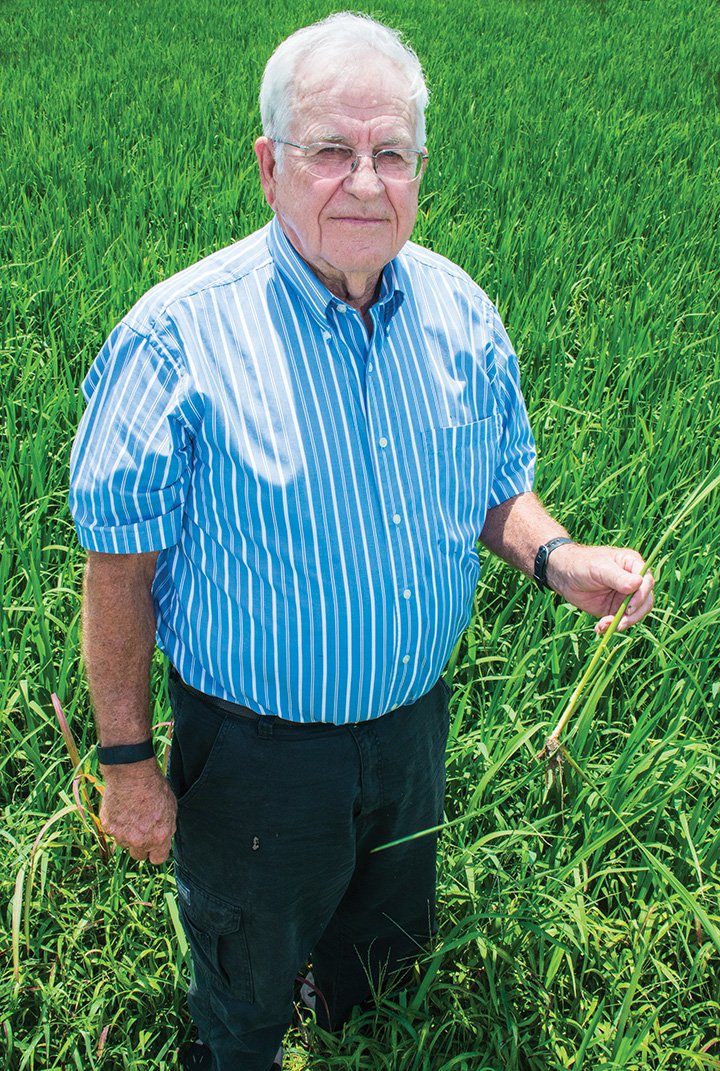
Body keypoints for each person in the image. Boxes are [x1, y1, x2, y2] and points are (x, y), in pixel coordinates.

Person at [69, 12, 654, 1071]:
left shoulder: (461, 316)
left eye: (391, 154)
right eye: (330, 151)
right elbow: (120, 568)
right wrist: (126, 765)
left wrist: (557, 557)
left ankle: (354, 1024)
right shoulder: (176, 338)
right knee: (245, 969)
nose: (365, 183)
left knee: (381, 944)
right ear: (269, 167)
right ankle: (238, 1045)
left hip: (412, 729)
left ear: (418, 167)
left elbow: (492, 487)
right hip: (255, 754)